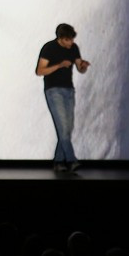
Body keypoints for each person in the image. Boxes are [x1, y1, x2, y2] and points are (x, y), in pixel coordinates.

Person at [36, 23, 90, 172]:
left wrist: (83, 65)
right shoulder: (49, 48)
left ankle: (58, 161)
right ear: (60, 38)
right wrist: (59, 65)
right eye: (68, 40)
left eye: (72, 40)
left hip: (69, 91)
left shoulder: (74, 48)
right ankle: (71, 160)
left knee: (67, 128)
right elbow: (40, 71)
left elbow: (79, 67)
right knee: (64, 127)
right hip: (54, 91)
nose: (71, 43)